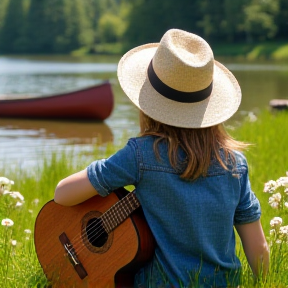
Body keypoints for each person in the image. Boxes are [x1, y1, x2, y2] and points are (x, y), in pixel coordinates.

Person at [54, 29, 269, 288]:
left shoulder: (141, 154)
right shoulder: (235, 164)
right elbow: (257, 246)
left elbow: (62, 194)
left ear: (148, 103)